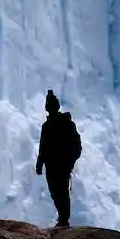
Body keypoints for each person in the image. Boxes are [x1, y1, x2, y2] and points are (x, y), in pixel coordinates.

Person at [35, 90, 82, 227]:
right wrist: (40, 163)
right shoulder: (47, 126)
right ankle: (63, 217)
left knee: (61, 190)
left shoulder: (66, 124)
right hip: (52, 165)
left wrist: (70, 160)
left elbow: (76, 144)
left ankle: (63, 218)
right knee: (55, 191)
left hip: (61, 164)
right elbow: (42, 147)